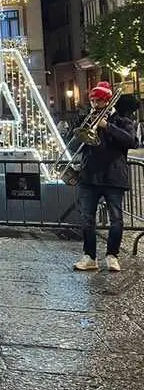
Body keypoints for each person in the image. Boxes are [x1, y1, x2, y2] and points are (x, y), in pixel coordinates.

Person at [73, 84, 137, 272]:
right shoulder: (87, 118)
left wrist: (106, 126)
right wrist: (81, 128)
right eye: (92, 100)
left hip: (113, 177)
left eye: (98, 100)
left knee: (116, 219)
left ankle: (112, 255)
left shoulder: (122, 120)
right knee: (87, 219)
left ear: (107, 101)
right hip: (89, 177)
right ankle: (89, 256)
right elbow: (73, 142)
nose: (95, 104)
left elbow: (131, 141)